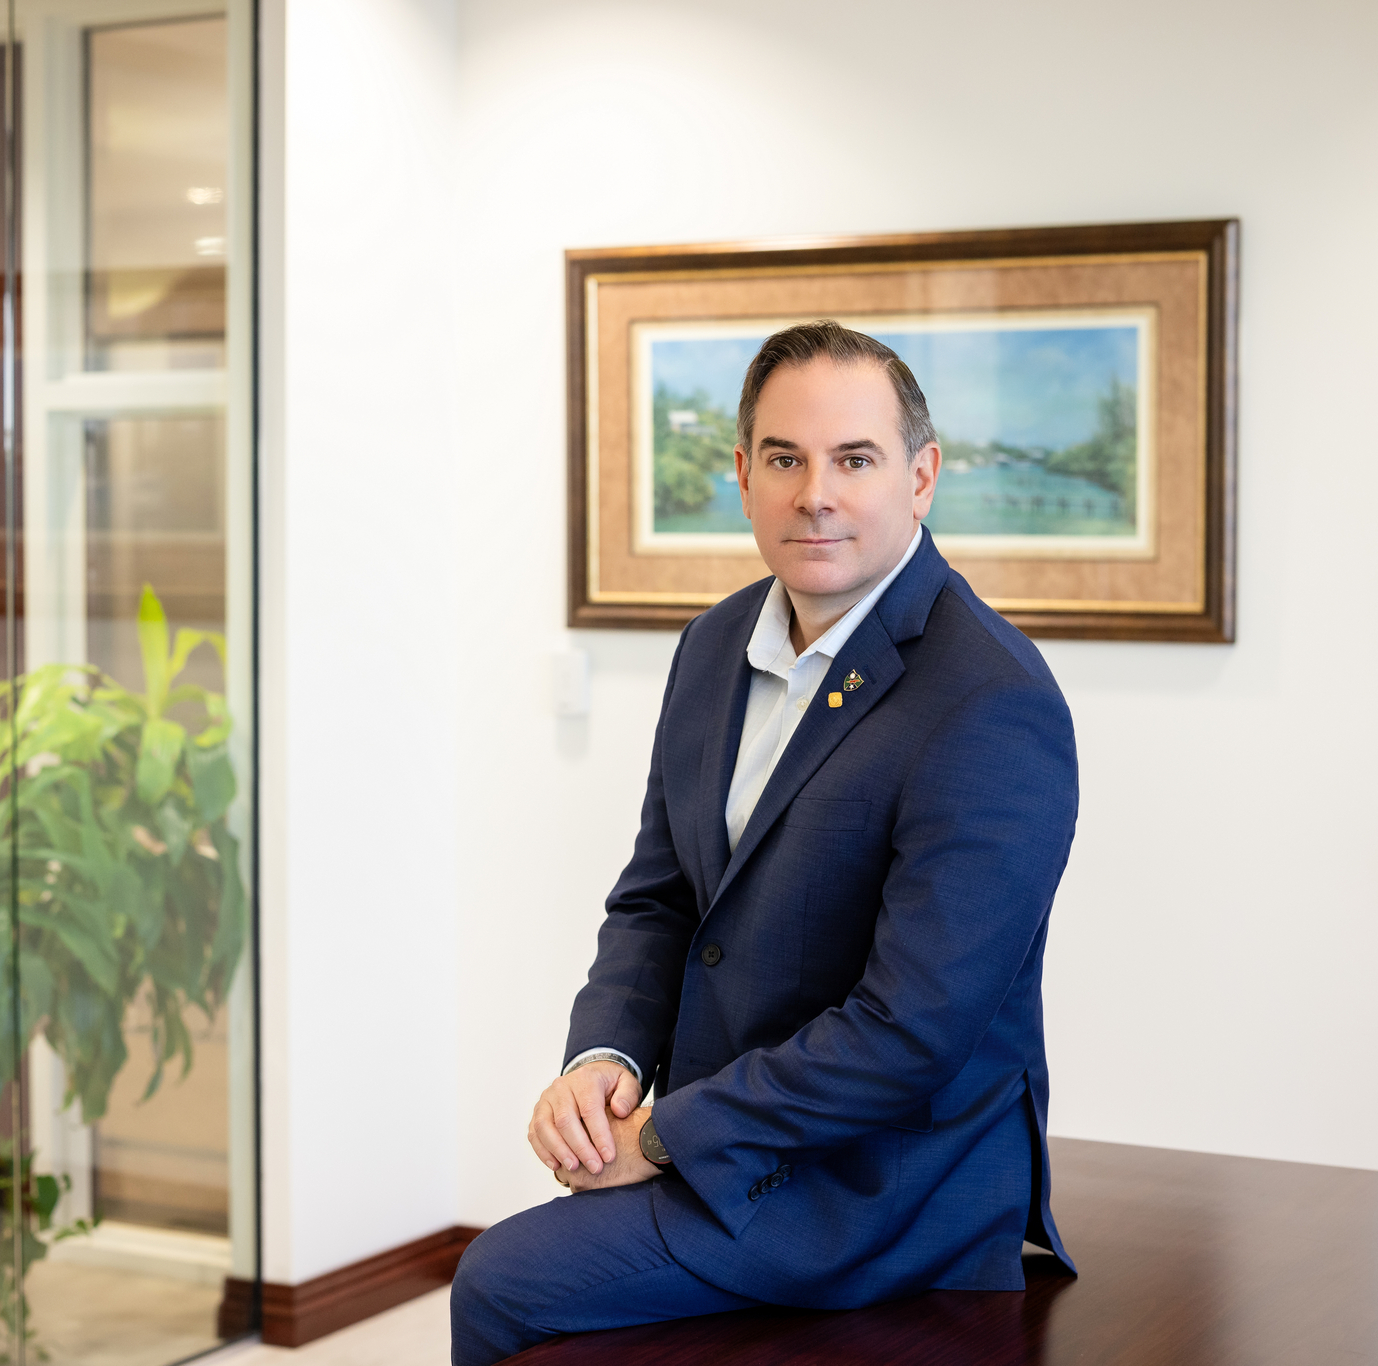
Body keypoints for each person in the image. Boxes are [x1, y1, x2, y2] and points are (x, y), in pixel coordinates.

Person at [450, 321, 1079, 1365]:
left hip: (881, 1187)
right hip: (736, 1143)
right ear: (742, 476)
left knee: (503, 1279)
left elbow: (910, 1031)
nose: (814, 494)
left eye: (854, 460)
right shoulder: (712, 646)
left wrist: (662, 1137)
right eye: (784, 459)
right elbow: (659, 899)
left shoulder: (989, 700)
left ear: (921, 477)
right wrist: (603, 1063)